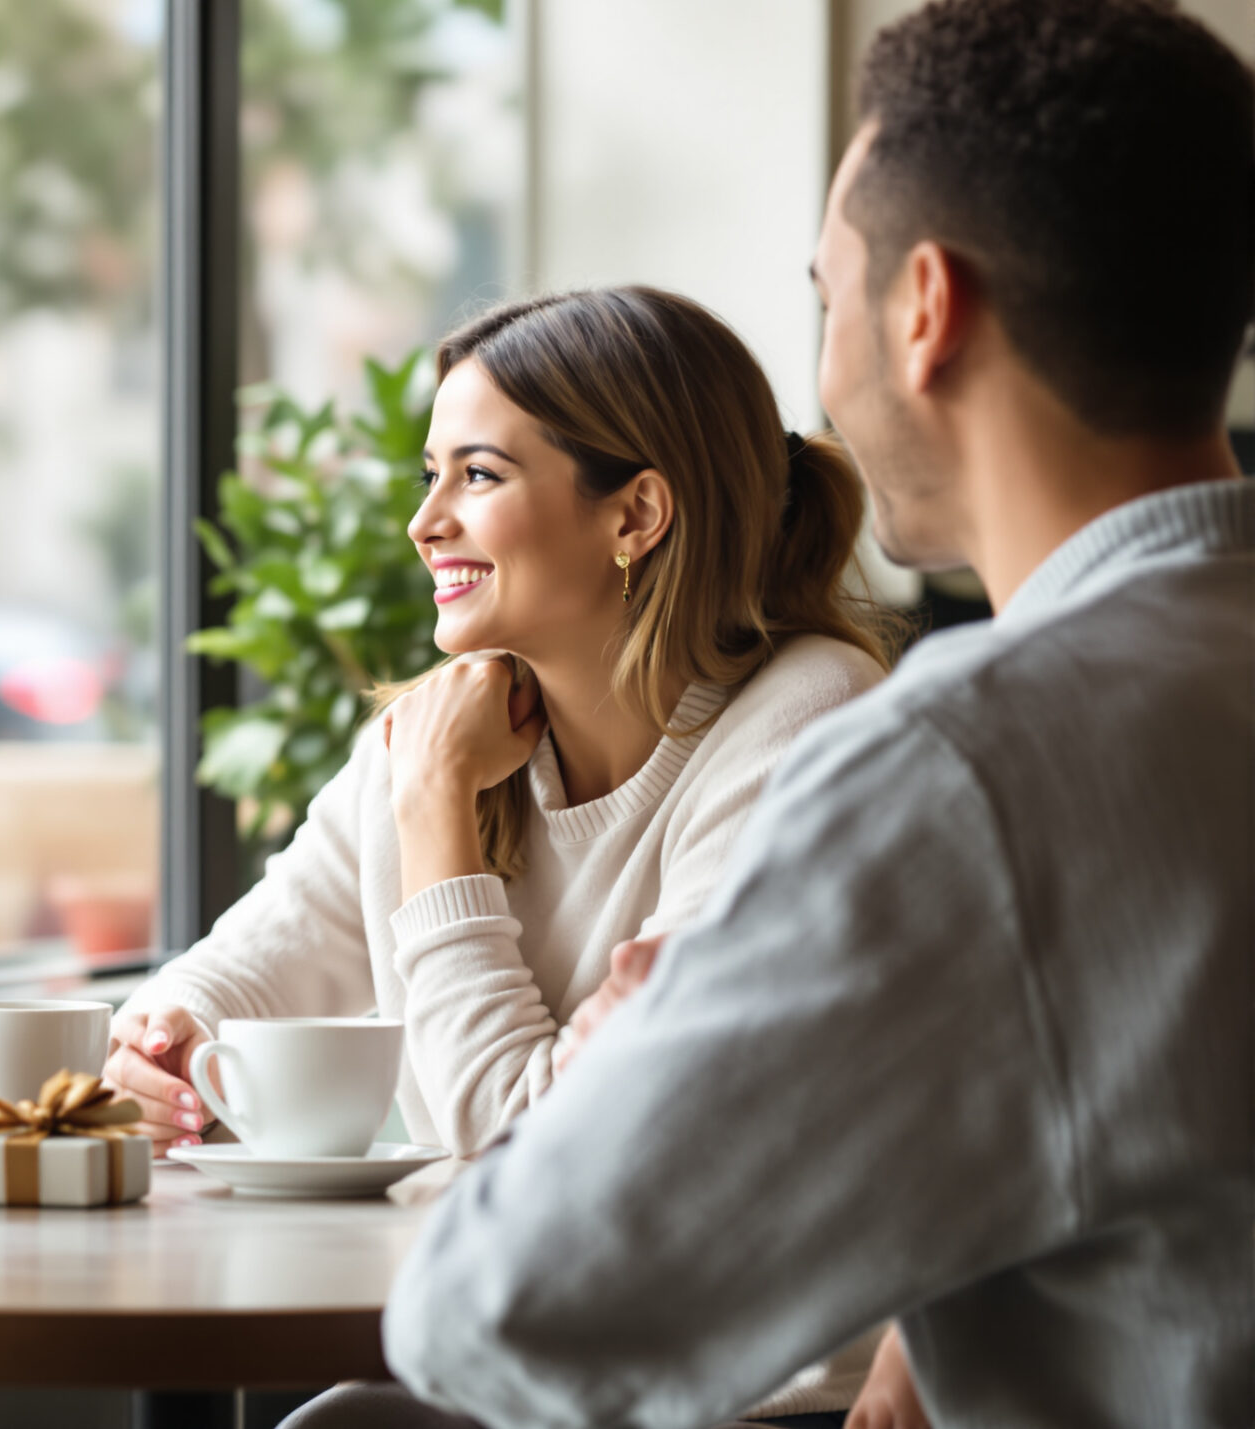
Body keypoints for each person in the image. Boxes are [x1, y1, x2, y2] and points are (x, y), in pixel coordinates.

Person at [371, 2, 1255, 1426]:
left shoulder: (965, 766)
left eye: (823, 294)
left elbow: (502, 1314)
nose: (824, 373)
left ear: (925, 310)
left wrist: (647, 1065)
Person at [105, 285, 895, 1421]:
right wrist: (162, 1040)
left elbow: (542, 1151)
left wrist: (435, 812)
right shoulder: (443, 726)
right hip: (529, 1366)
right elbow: (255, 961)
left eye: (476, 475)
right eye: (430, 476)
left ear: (636, 516)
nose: (425, 522)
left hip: (744, 1396)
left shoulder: (806, 724)